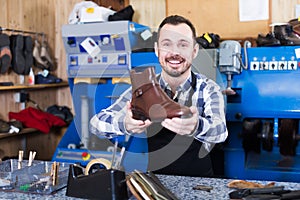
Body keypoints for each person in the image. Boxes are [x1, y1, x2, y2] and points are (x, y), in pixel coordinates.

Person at [90, 15, 228, 177]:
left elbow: (221, 132)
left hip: (199, 183)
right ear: (157, 50)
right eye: (167, 44)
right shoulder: (143, 89)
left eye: (183, 45)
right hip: (158, 182)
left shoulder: (208, 89)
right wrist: (125, 123)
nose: (174, 52)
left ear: (194, 50)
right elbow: (96, 124)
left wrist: (196, 125)